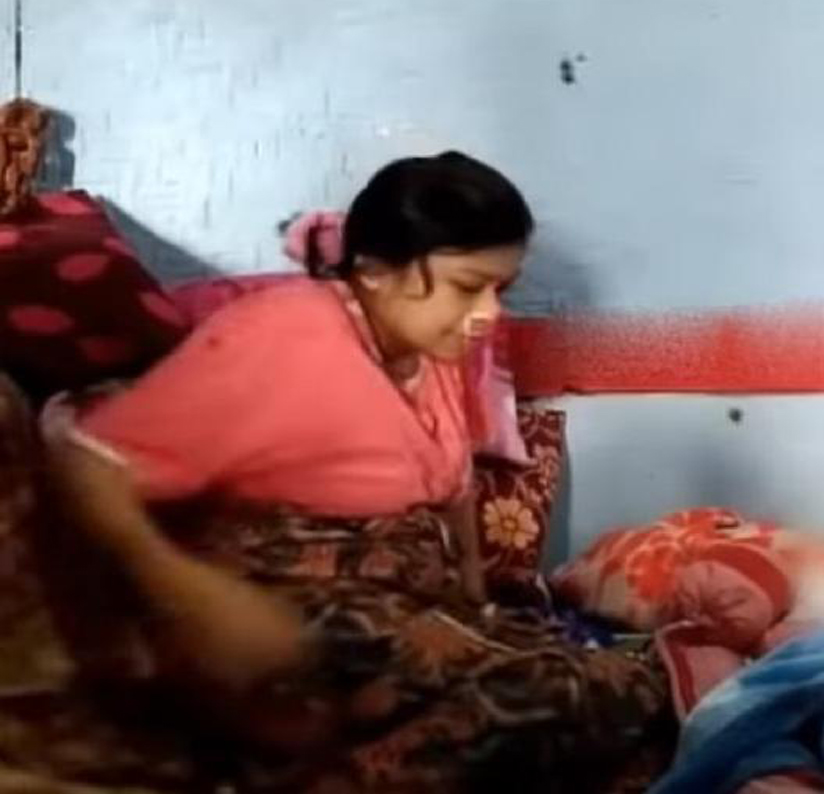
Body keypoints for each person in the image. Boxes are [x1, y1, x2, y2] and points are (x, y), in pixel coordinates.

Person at [41, 151, 669, 790]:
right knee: (567, 692)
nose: (488, 314)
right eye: (467, 286)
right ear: (374, 270)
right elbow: (87, 467)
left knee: (639, 691)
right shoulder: (282, 334)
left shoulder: (434, 354)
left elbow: (455, 493)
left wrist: (476, 603)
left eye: (499, 290)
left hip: (409, 613)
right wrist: (203, 602)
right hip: (304, 626)